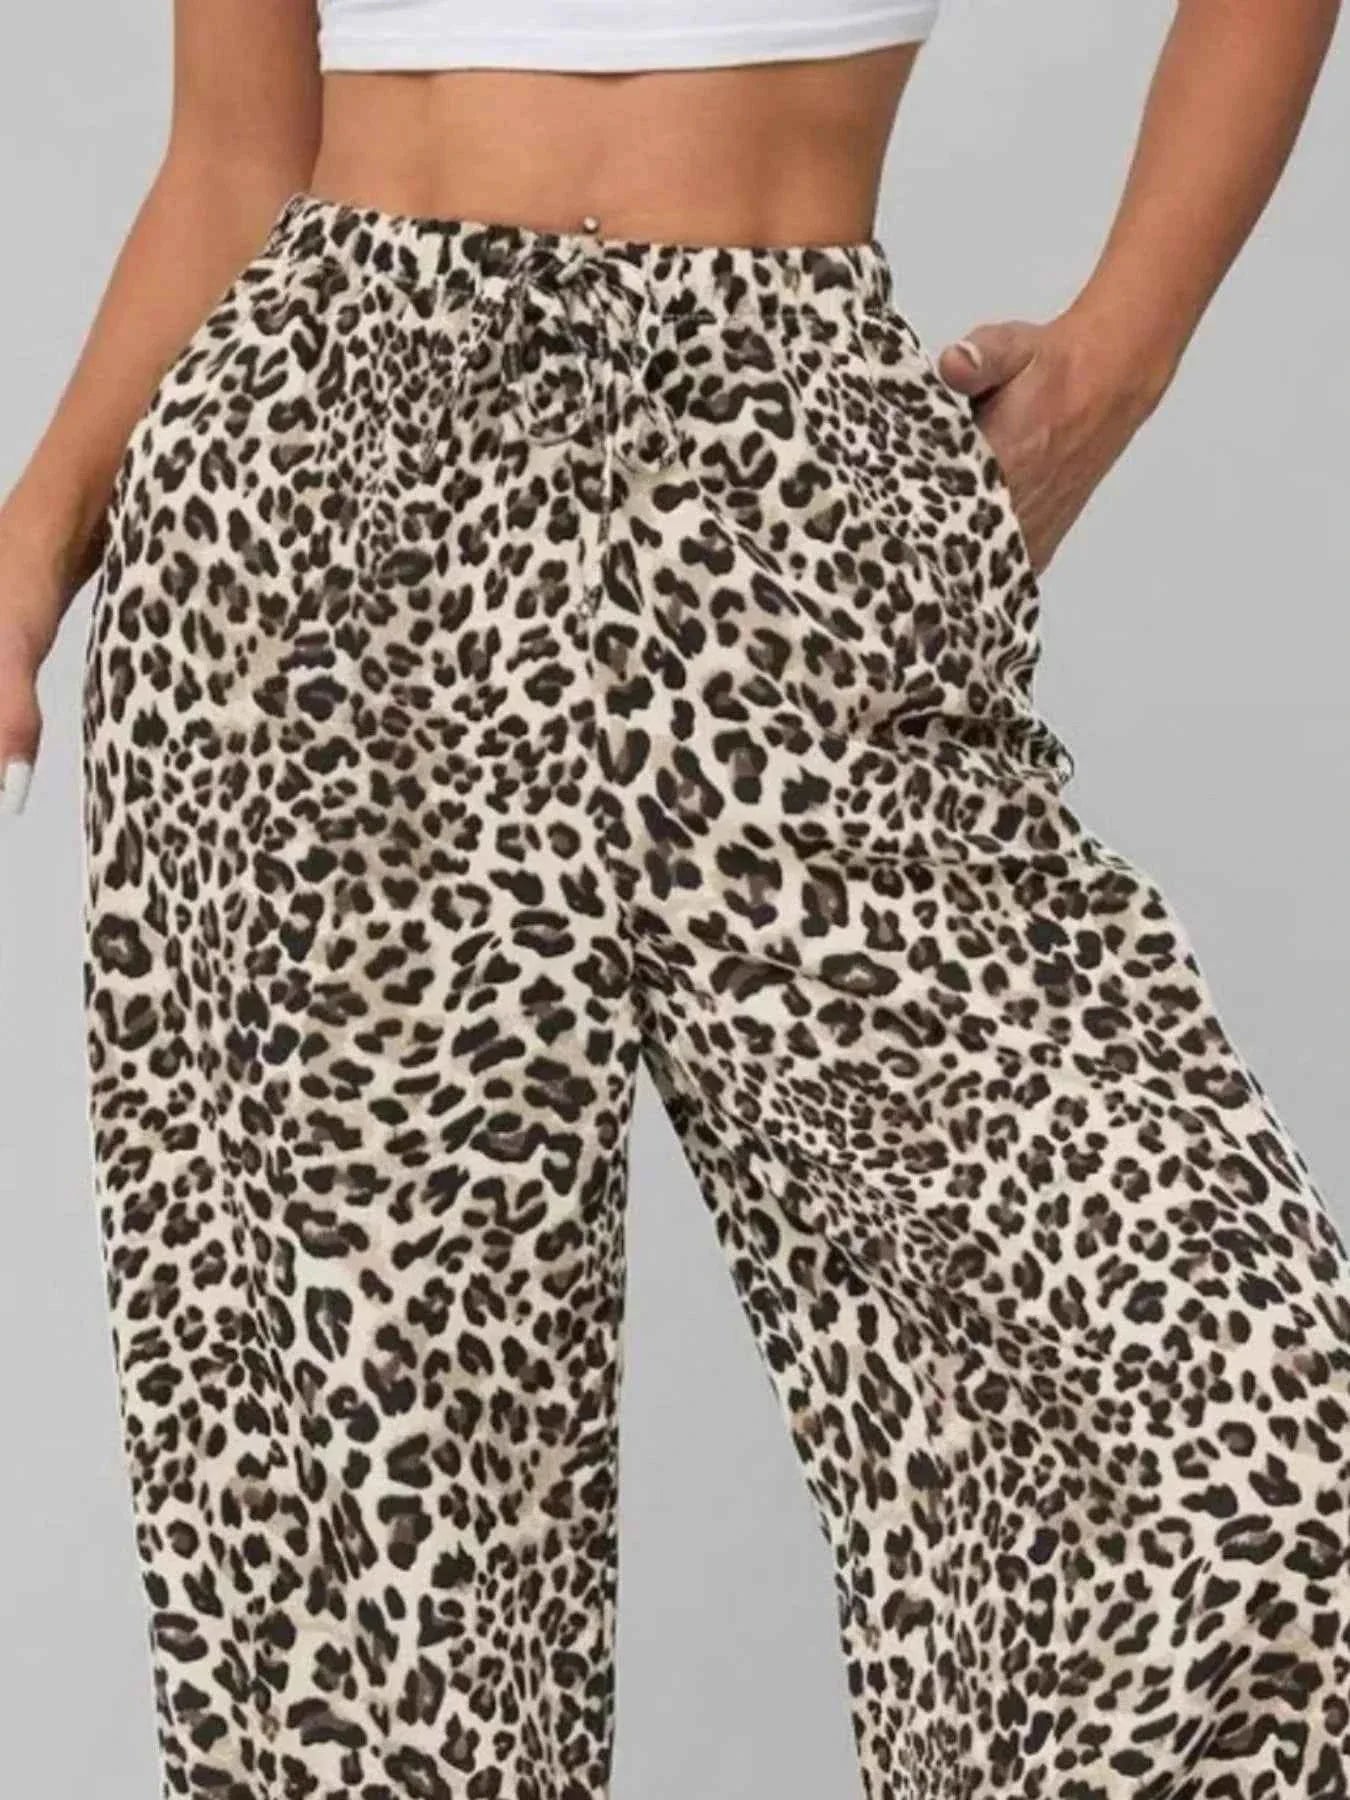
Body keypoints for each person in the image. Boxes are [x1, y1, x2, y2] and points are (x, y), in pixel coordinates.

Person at [2, 1, 1348, 1794]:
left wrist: (1125, 347)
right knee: (373, 1611)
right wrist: (30, 547)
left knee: (1237, 1431)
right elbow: (239, 148)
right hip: (325, 503)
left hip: (790, 484)